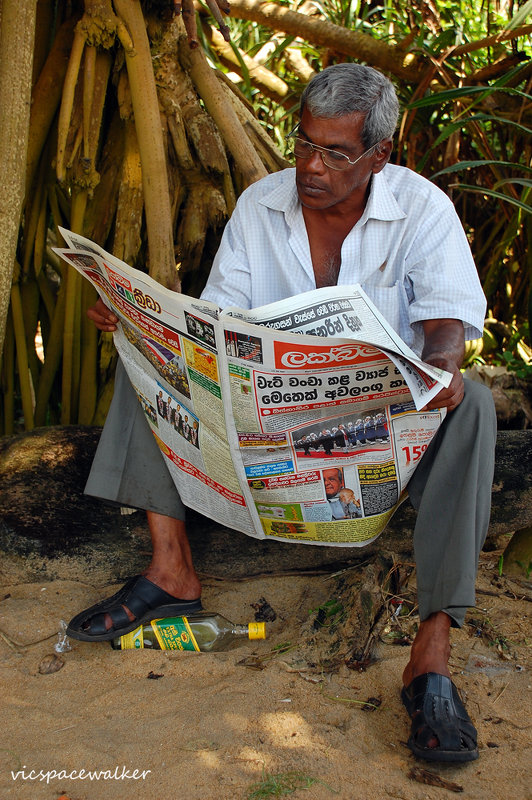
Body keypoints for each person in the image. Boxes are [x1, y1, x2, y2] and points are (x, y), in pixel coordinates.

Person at [67, 63, 496, 765]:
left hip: (377, 444)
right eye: (303, 144)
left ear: (379, 157)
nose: (310, 165)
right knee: (144, 355)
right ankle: (172, 569)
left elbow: (448, 321)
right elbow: (215, 321)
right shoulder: (259, 205)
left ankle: (432, 652)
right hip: (269, 437)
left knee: (474, 401)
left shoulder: (423, 209)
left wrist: (443, 367)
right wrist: (141, 325)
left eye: (334, 152)